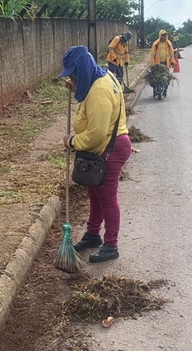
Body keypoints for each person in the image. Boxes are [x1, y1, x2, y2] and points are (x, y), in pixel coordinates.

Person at [60, 46, 131, 263]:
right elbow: (91, 114)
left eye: (74, 74)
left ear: (82, 70)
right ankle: (92, 235)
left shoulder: (99, 92)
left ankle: (111, 245)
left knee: (107, 198)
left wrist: (72, 142)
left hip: (110, 148)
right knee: (95, 193)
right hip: (105, 147)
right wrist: (77, 91)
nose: (72, 77)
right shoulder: (100, 77)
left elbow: (96, 134)